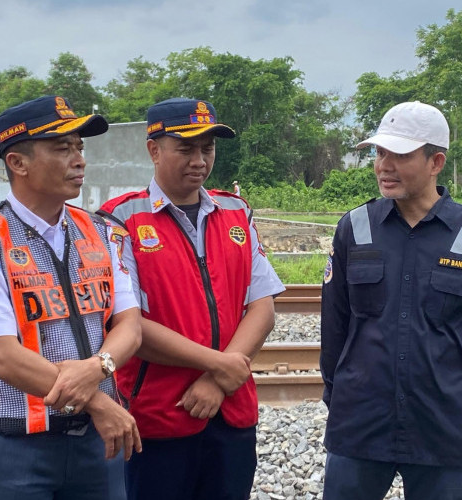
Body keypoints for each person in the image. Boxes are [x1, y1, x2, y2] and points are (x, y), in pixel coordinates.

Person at [0, 95, 143, 500]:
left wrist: (97, 367)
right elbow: (1, 355)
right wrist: (98, 403)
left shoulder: (105, 233)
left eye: (79, 147)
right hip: (16, 446)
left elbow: (130, 325)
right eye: (62, 148)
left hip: (95, 444)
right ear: (18, 163)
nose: (79, 160)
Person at [320, 101, 462, 500]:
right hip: (359, 425)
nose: (384, 166)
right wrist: (339, 395)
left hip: (443, 428)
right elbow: (334, 326)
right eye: (379, 153)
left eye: (401, 155)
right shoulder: (354, 229)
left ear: (435, 162)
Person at [99, 97, 285, 500]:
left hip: (232, 413)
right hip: (158, 416)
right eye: (186, 148)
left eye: (208, 148)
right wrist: (220, 365)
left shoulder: (236, 211)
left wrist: (218, 381)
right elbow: (126, 326)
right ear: (154, 149)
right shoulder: (120, 219)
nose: (199, 160)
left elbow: (263, 306)